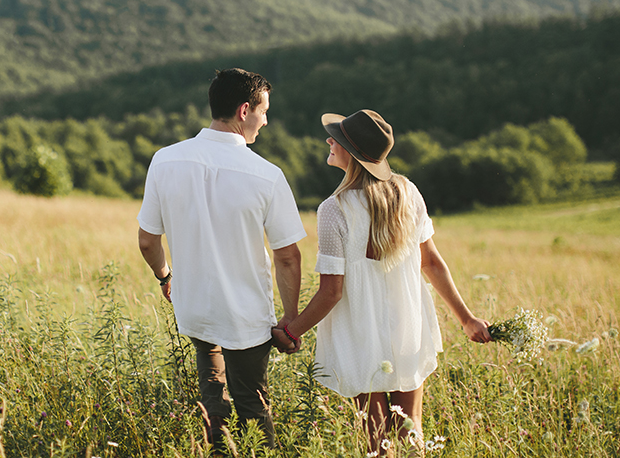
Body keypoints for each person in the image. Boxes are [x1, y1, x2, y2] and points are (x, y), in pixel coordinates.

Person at [277, 109, 491, 456]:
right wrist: (466, 318)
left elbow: (332, 291)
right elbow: (432, 263)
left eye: (338, 139)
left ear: (353, 153)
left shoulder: (335, 209)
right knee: (410, 430)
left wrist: (291, 331)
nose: (329, 140)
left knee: (377, 440)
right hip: (408, 324)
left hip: (362, 330)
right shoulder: (408, 192)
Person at [137, 68, 307, 452]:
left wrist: (166, 278)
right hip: (245, 315)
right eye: (264, 110)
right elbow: (288, 257)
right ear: (245, 110)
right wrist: (291, 316)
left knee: (212, 400)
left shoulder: (164, 161)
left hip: (194, 307)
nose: (266, 120)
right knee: (253, 405)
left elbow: (148, 241)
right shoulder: (267, 175)